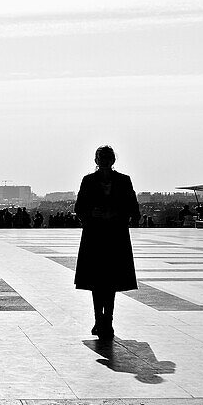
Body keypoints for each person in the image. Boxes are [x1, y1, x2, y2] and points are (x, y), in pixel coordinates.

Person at [74, 145, 139, 340]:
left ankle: (106, 320)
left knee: (107, 281)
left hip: (111, 235)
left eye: (106, 158)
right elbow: (80, 207)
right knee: (99, 281)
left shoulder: (122, 180)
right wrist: (92, 213)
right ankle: (100, 320)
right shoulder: (90, 181)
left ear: (112, 160)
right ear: (97, 161)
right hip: (99, 234)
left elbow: (132, 206)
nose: (104, 161)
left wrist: (117, 213)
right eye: (102, 158)